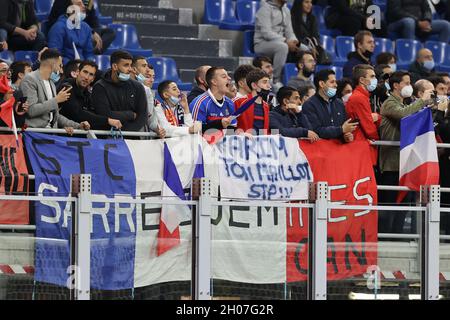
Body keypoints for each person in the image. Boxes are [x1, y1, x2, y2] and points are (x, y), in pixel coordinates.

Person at [378, 70, 433, 233]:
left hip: (406, 164)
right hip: (391, 165)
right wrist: (422, 101)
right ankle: (385, 240)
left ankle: (398, 239)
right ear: (396, 85)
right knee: (389, 209)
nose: (409, 86)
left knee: (403, 208)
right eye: (407, 83)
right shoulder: (389, 103)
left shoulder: (405, 104)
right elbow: (403, 115)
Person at [20, 48, 90, 132]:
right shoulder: (30, 79)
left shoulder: (52, 84)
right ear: (52, 64)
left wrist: (78, 126)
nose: (61, 71)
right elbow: (31, 110)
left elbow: (54, 115)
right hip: (35, 133)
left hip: (51, 133)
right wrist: (56, 100)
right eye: (60, 65)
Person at [92, 50, 148, 132]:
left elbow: (142, 116)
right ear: (115, 66)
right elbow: (104, 114)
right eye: (126, 65)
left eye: (130, 65)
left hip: (132, 137)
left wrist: (127, 133)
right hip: (107, 136)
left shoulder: (138, 87)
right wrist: (130, 114)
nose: (130, 69)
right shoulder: (100, 86)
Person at [59, 60, 122, 130]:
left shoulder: (88, 93)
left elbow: (92, 114)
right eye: (85, 72)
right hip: (61, 133)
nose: (87, 77)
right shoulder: (66, 87)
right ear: (77, 72)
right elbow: (77, 113)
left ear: (93, 79)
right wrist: (107, 120)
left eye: (91, 74)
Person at [254, 0, 300, 89]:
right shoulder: (264, 9)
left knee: (303, 48)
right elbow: (266, 33)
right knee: (283, 47)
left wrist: (294, 42)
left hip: (281, 41)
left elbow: (289, 32)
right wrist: (286, 41)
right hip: (262, 43)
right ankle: (275, 80)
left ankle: (301, 81)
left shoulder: (286, 10)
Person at [302, 69, 357, 141]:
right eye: (332, 82)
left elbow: (344, 127)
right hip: (320, 149)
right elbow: (316, 131)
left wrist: (346, 136)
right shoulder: (309, 105)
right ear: (321, 84)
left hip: (338, 149)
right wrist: (341, 130)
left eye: (335, 82)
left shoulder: (339, 103)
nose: (336, 85)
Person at [47, 0, 116, 54]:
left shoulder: (88, 1)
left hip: (85, 28)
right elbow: (64, 18)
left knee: (110, 32)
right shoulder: (62, 2)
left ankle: (93, 49)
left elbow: (93, 19)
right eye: (80, 4)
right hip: (69, 29)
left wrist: (93, 31)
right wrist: (90, 31)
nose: (83, 6)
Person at [345, 64, 380, 166]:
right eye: (372, 76)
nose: (375, 79)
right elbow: (369, 128)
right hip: (361, 147)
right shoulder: (359, 98)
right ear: (362, 80)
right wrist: (379, 118)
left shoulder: (363, 97)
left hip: (362, 146)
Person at [129, 56, 164, 137]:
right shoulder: (126, 87)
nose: (147, 69)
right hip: (127, 133)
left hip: (143, 136)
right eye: (144, 66)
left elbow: (149, 116)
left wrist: (157, 128)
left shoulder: (148, 91)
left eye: (153, 77)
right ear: (134, 69)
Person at [234, 69, 271, 135]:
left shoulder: (266, 106)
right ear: (254, 85)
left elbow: (265, 130)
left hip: (260, 143)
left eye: (268, 83)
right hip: (241, 143)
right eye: (264, 82)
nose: (269, 86)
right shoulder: (238, 102)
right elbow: (228, 126)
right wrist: (240, 134)